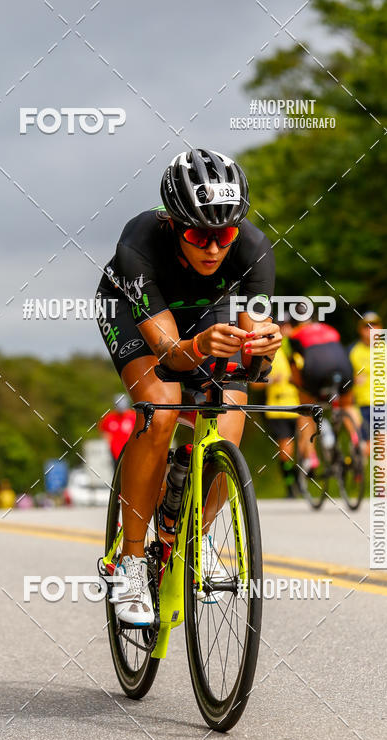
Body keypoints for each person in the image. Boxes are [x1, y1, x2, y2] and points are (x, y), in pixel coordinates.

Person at [96, 148, 280, 625]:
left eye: (225, 235)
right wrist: (198, 349)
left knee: (229, 426)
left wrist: (264, 350)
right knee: (161, 408)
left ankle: (182, 535)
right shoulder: (138, 243)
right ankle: (132, 562)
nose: (214, 248)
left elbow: (255, 359)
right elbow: (168, 356)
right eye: (201, 234)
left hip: (204, 310)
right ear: (174, 224)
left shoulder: (254, 250)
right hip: (135, 312)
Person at [286, 307, 358, 472]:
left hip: (316, 370)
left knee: (307, 409)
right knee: (347, 404)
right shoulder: (329, 328)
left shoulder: (294, 335)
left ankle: (311, 457)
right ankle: (356, 439)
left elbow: (295, 368)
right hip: (344, 368)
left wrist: (296, 383)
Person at [250, 314, 299, 497]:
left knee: (301, 447)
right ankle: (290, 485)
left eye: (289, 326)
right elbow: (254, 384)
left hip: (298, 406)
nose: (286, 330)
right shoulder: (269, 353)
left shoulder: (296, 351)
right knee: (285, 448)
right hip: (278, 407)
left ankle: (301, 477)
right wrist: (271, 380)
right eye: (282, 326)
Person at [349, 311, 382, 453]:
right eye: (367, 326)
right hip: (362, 405)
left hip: (384, 404)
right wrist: (353, 380)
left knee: (384, 446)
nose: (371, 330)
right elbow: (344, 378)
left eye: (374, 325)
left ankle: (384, 475)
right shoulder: (353, 351)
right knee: (367, 449)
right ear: (360, 330)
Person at [98, 393, 137, 462]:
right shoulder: (109, 418)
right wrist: (110, 442)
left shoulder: (133, 416)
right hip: (115, 453)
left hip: (131, 451)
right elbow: (103, 431)